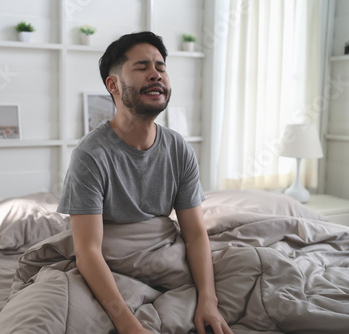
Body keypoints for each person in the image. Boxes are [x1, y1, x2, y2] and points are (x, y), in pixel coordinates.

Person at [57, 31, 233, 334]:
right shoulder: (91, 156)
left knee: (262, 268)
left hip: (165, 255)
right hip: (113, 263)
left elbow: (195, 235)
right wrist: (129, 325)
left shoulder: (178, 149)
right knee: (48, 312)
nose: (156, 74)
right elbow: (88, 252)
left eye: (161, 67)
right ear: (113, 85)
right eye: (142, 67)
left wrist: (208, 300)